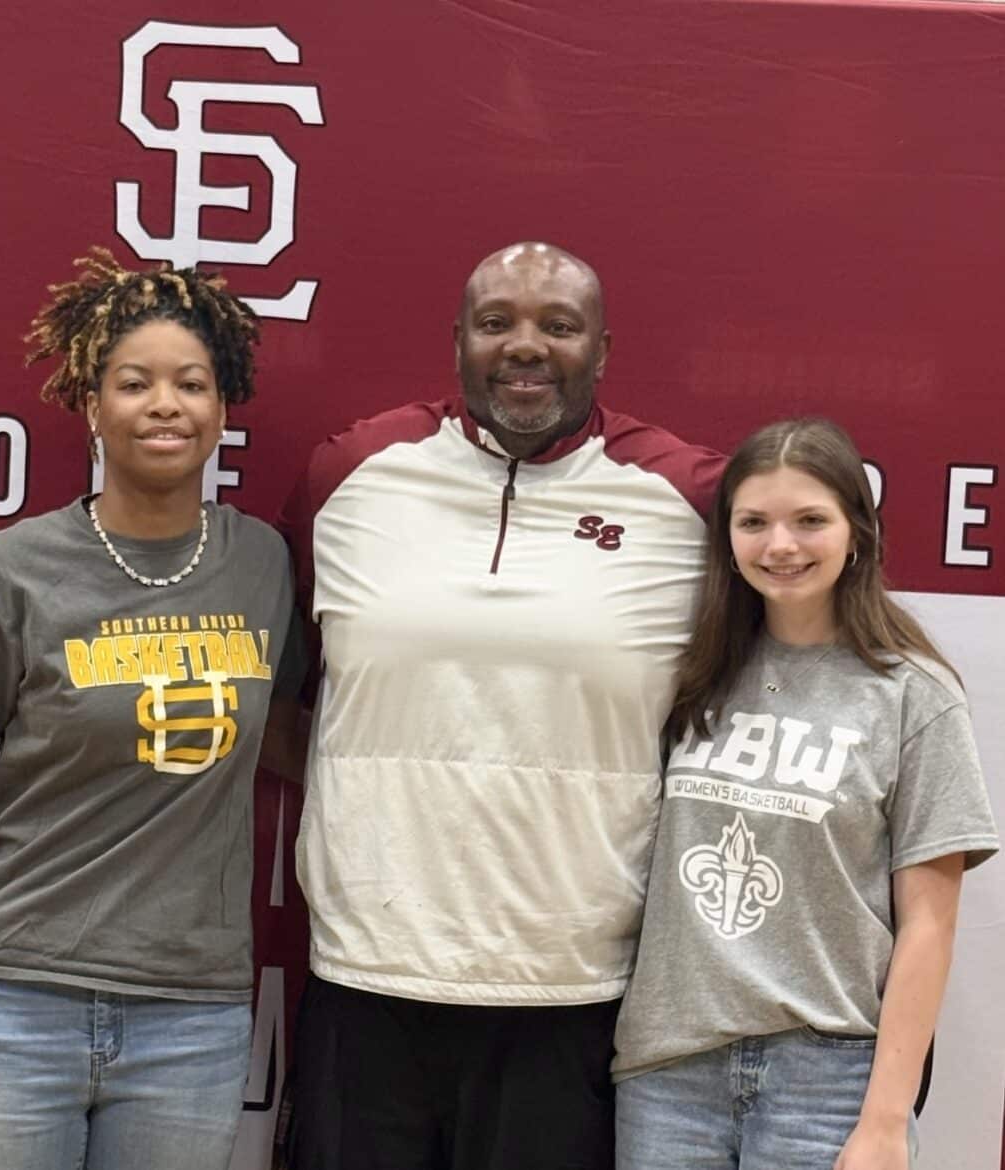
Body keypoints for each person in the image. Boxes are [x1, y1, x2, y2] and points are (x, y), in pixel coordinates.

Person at [277, 241, 724, 1170]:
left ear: (603, 349)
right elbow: (285, 694)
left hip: (572, 989)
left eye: (558, 325)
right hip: (366, 973)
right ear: (457, 342)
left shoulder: (687, 498)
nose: (526, 345)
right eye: (496, 323)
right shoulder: (351, 474)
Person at [0, 247, 304, 1170]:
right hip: (13, 999)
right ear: (91, 405)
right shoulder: (11, 572)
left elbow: (289, 737)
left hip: (190, 1016)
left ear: (222, 409)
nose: (165, 404)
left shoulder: (262, 565)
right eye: (134, 383)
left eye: (191, 384)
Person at [612, 418, 999, 1170]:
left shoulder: (914, 695)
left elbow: (929, 925)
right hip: (668, 1074)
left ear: (857, 531)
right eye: (754, 522)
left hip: (828, 1078)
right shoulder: (686, 675)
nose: (781, 545)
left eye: (810, 520)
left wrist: (885, 1119)